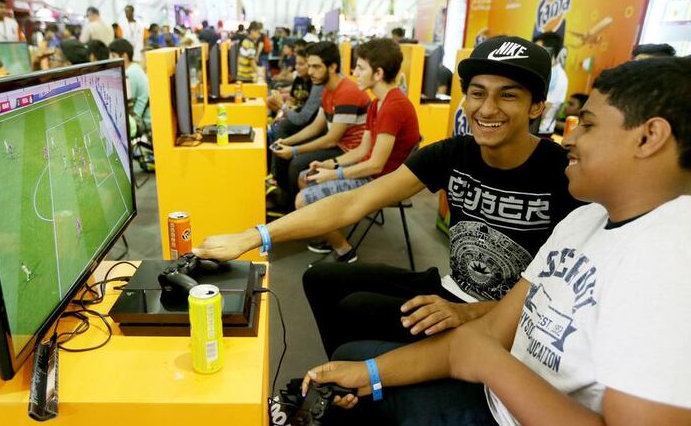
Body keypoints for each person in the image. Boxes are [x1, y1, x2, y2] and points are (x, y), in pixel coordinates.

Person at [299, 55, 691, 426]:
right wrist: (370, 371)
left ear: (649, 136)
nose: (571, 138)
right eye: (477, 93)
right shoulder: (585, 221)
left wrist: (490, 364)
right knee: (349, 364)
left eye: (589, 125)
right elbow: (485, 335)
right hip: (494, 409)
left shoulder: (673, 262)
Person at [196, 37, 579, 358]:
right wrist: (252, 237)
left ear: (537, 106)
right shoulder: (454, 153)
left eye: (507, 95)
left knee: (357, 314)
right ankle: (349, 380)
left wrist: (472, 313)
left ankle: (354, 375)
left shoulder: (566, 174)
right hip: (450, 288)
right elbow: (353, 202)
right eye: (477, 93)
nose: (487, 108)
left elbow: (567, 299)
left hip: (506, 319)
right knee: (321, 278)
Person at [298, 38, 421, 263]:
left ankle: (345, 251)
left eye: (361, 68)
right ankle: (333, 234)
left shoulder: (394, 106)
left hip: (383, 181)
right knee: (304, 177)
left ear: (378, 73)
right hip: (374, 173)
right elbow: (362, 149)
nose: (354, 72)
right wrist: (331, 164)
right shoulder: (377, 103)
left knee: (302, 200)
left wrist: (333, 174)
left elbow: (376, 164)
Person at [270, 41, 370, 210]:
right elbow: (316, 127)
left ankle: (291, 212)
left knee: (296, 163)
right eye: (309, 66)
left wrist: (294, 151)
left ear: (332, 67)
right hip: (339, 145)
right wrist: (287, 143)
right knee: (283, 145)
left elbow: (332, 139)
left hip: (350, 152)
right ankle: (286, 201)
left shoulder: (347, 92)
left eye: (316, 67)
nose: (310, 72)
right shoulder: (327, 89)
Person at [109, 38, 150, 131]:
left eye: (113, 55)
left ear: (124, 56)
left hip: (141, 122)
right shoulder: (135, 68)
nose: (110, 59)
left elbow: (124, 104)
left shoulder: (129, 74)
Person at [535, 31, 568, 137]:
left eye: (538, 50)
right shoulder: (546, 70)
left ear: (551, 51)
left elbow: (546, 107)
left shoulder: (557, 75)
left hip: (541, 132)